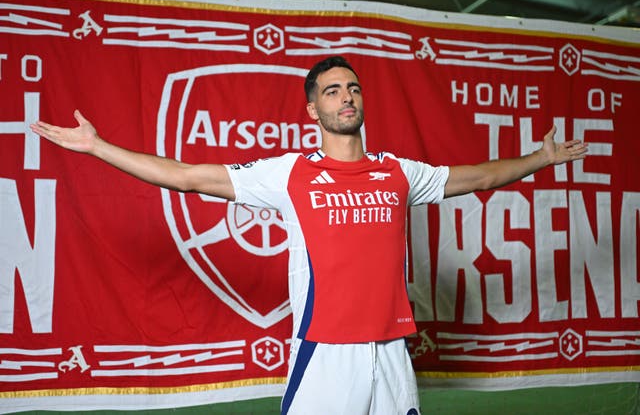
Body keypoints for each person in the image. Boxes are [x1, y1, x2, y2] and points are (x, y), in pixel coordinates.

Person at [30, 56, 587, 415]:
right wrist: (99, 147)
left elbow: (482, 176)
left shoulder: (398, 172)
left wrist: (540, 157)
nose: (346, 97)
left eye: (353, 89)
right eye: (332, 91)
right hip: (324, 354)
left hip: (390, 351)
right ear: (312, 108)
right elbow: (185, 174)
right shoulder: (289, 173)